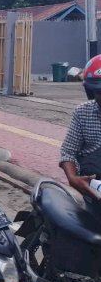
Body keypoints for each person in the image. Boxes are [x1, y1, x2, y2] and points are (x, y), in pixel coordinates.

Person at [60, 55, 101, 202]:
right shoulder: (82, 112)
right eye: (99, 92)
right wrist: (72, 178)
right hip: (92, 189)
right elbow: (68, 152)